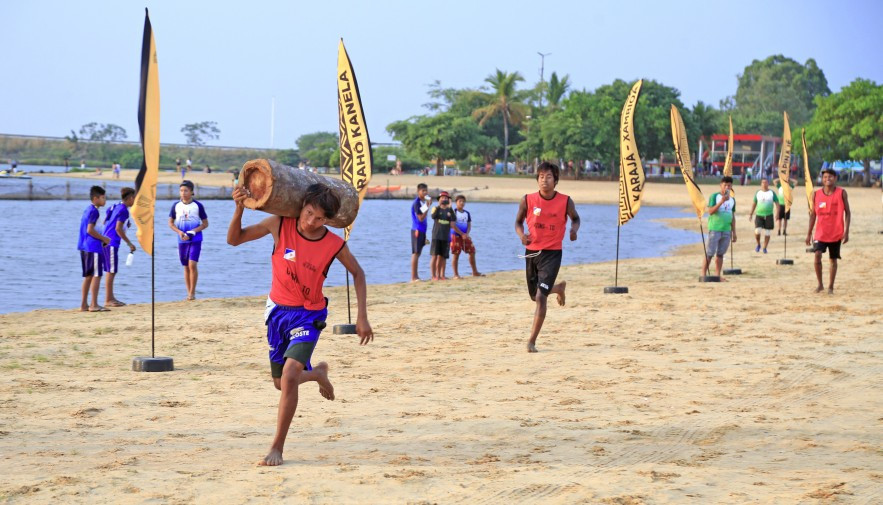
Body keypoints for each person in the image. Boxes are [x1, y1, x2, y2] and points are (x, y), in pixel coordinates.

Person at [227, 183, 373, 467]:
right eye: (308, 213)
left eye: (319, 218)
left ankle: (277, 447)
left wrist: (362, 316)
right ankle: (317, 373)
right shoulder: (279, 224)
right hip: (277, 313)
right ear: (301, 207)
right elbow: (234, 239)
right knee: (281, 383)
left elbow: (358, 273)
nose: (310, 222)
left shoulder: (334, 244)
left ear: (327, 220)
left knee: (291, 375)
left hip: (309, 315)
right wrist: (238, 208)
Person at [514, 162, 580, 353]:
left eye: (549, 177)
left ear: (556, 180)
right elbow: (518, 222)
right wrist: (521, 236)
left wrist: (573, 230)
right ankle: (558, 288)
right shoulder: (527, 200)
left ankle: (531, 341)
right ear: (537, 180)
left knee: (541, 297)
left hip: (552, 253)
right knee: (534, 296)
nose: (545, 180)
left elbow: (576, 218)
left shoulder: (566, 201)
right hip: (532, 252)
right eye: (541, 177)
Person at [806, 168, 851, 294]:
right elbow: (813, 215)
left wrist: (846, 231)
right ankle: (820, 284)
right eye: (825, 177)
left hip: (836, 232)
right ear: (822, 179)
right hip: (820, 232)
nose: (827, 179)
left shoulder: (842, 193)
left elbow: (848, 213)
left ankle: (830, 286)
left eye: (830, 177)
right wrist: (809, 233)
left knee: (833, 259)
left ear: (835, 178)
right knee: (817, 255)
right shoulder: (816, 194)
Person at [168, 180, 208, 300]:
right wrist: (179, 232)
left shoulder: (198, 206)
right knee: (185, 266)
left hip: (196, 239)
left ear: (191, 192)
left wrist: (193, 231)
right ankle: (188, 292)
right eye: (181, 190)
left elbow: (205, 224)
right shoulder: (176, 205)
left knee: (192, 265)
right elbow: (170, 223)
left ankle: (192, 293)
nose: (183, 193)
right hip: (182, 240)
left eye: (186, 190)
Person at [102, 187, 137, 307]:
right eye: (134, 198)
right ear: (131, 198)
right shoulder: (124, 211)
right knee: (111, 271)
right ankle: (108, 299)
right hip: (111, 242)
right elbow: (117, 229)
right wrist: (129, 243)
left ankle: (111, 298)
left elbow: (105, 221)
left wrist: (125, 225)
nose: (135, 201)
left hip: (105, 240)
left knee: (111, 270)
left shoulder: (115, 206)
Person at [78, 186, 110, 312]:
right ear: (96, 198)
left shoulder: (87, 209)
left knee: (88, 276)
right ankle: (94, 304)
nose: (105, 200)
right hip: (93, 247)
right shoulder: (94, 211)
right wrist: (104, 239)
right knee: (96, 275)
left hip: (84, 246)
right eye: (103, 198)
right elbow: (90, 230)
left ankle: (84, 305)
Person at [702, 176, 737, 279]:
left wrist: (734, 232)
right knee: (709, 253)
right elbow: (710, 211)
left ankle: (717, 275)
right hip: (715, 228)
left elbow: (732, 216)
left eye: (729, 185)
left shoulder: (732, 200)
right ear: (721, 185)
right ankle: (703, 274)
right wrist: (721, 202)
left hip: (726, 230)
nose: (727, 187)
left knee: (720, 254)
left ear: (731, 187)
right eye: (725, 185)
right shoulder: (715, 197)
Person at [450, 195, 482, 278]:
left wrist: (466, 234)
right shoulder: (453, 212)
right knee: (456, 254)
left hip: (465, 236)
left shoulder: (467, 213)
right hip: (455, 236)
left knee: (472, 251)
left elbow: (469, 225)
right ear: (456, 202)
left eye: (463, 201)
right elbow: (453, 225)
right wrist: (461, 234)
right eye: (460, 201)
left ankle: (474, 272)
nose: (462, 203)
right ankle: (456, 274)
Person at [747, 178, 779, 254]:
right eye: (763, 183)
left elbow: (777, 204)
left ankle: (765, 247)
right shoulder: (758, 193)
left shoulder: (772, 193)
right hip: (759, 215)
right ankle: (758, 244)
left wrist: (777, 213)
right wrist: (751, 213)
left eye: (766, 182)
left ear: (768, 184)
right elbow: (754, 203)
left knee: (767, 232)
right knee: (757, 231)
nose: (764, 184)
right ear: (761, 184)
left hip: (769, 215)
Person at [430, 191, 456, 280]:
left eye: (446, 198)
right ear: (439, 199)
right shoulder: (435, 208)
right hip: (436, 235)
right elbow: (433, 216)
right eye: (442, 198)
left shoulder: (450, 210)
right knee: (434, 256)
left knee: (443, 256)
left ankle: (441, 275)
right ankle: (433, 276)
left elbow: (454, 218)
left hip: (445, 236)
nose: (444, 200)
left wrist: (450, 207)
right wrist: (439, 205)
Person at [409, 183, 431, 282]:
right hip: (417, 230)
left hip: (422, 230)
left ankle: (416, 276)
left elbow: (423, 213)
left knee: (418, 253)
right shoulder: (417, 203)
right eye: (423, 191)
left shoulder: (422, 203)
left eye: (426, 190)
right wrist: (427, 206)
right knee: (415, 253)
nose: (425, 192)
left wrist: (427, 205)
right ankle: (413, 277)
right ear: (418, 192)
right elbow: (421, 218)